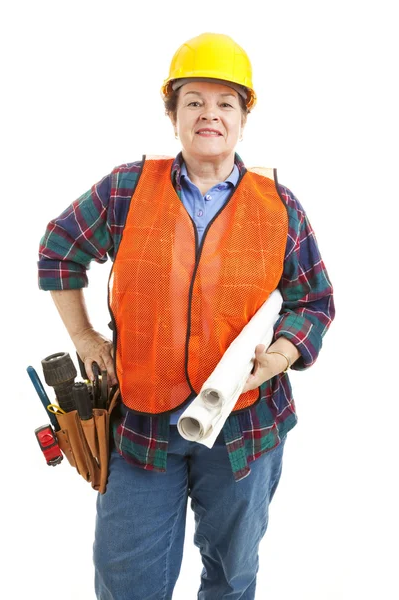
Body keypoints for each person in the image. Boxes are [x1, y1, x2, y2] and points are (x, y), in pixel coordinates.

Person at [38, 32, 335, 600]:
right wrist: (84, 336)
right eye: (194, 100)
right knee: (128, 580)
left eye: (226, 103)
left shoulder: (278, 204)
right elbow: (58, 248)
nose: (209, 115)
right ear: (171, 111)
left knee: (232, 575)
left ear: (244, 118)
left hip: (246, 427)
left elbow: (314, 301)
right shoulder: (126, 189)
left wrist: (275, 358)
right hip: (141, 422)